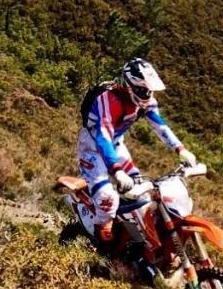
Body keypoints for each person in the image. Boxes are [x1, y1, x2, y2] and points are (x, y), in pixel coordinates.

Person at [77, 57, 196, 247]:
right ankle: (102, 233)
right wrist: (116, 170)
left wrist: (181, 149)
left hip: (116, 144)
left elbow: (161, 127)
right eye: (142, 89)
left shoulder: (145, 101)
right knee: (107, 197)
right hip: (92, 147)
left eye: (148, 90)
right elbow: (103, 136)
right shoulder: (108, 100)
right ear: (128, 86)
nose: (147, 94)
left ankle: (132, 232)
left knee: (141, 191)